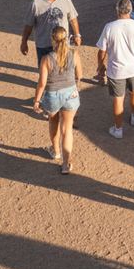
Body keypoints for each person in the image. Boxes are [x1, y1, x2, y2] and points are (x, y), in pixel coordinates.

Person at [96, 0, 134, 139]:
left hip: (116, 70)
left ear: (117, 10)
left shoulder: (109, 27)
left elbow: (102, 51)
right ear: (130, 10)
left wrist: (100, 66)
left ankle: (118, 129)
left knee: (118, 99)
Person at [33, 26, 82, 174]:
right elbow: (79, 75)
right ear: (67, 38)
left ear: (52, 39)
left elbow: (42, 83)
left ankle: (55, 151)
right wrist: (73, 86)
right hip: (71, 94)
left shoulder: (47, 59)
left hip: (53, 95)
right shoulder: (74, 54)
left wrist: (36, 101)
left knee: (53, 123)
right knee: (67, 129)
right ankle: (66, 163)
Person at [20, 0, 82, 65]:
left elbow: (72, 18)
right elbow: (28, 25)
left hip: (62, 43)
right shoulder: (36, 3)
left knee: (63, 69)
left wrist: (77, 35)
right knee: (44, 70)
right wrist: (24, 42)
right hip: (43, 44)